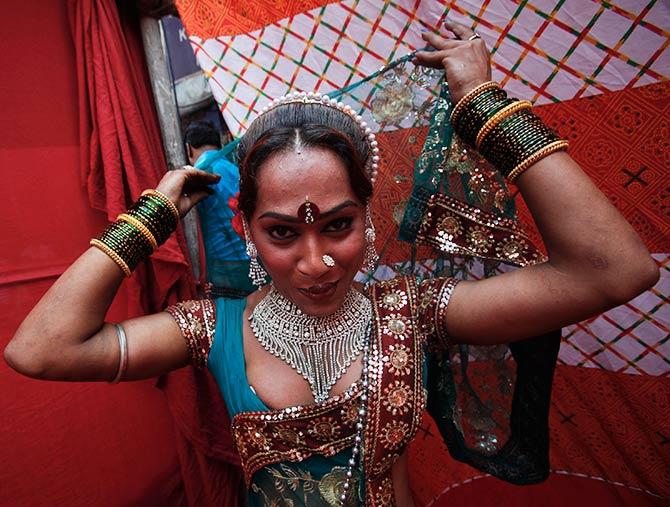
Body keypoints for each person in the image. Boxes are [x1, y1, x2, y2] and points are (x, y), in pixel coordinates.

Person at [4, 22, 658, 506]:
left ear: (368, 216)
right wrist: (151, 214)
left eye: (338, 225)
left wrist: (484, 105)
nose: (315, 261)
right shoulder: (209, 328)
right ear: (247, 232)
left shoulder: (417, 311)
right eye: (283, 232)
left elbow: (613, 271)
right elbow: (40, 349)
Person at [184, 120, 255, 296]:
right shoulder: (236, 168)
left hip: (224, 268)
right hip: (255, 260)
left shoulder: (199, 174)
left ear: (188, 148)